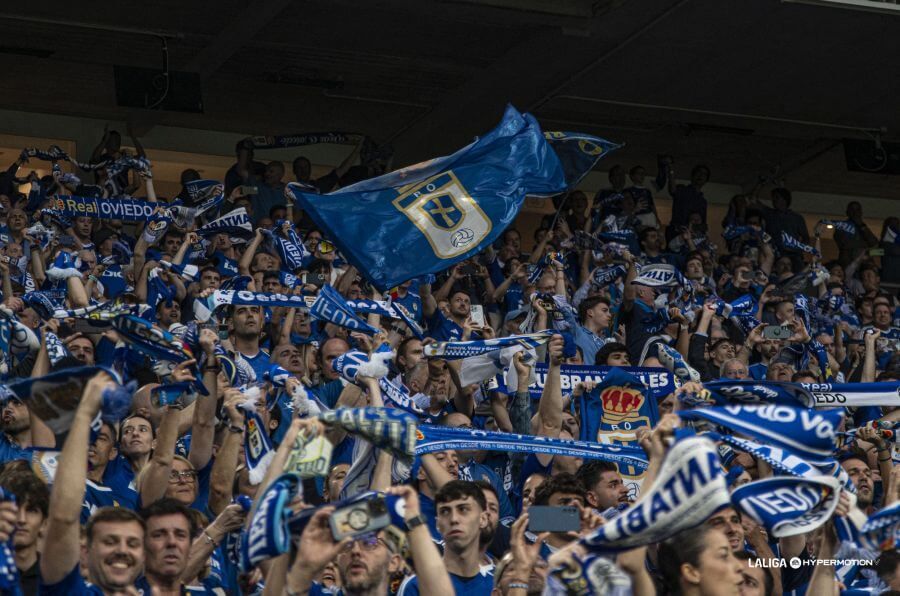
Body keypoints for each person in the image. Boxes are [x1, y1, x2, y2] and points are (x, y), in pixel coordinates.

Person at [399, 480, 493, 595]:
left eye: (463, 509)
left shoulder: (497, 586)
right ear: (438, 524)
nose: (454, 519)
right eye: (445, 511)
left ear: (483, 519)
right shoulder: (416, 587)